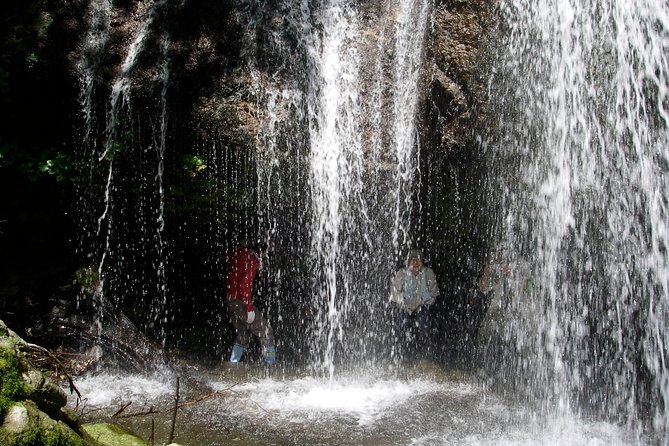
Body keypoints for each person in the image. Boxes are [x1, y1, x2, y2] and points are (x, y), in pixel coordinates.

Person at [225, 240, 276, 364]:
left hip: (230, 300)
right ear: (261, 250)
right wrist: (249, 308)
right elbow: (244, 285)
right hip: (240, 302)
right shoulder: (252, 259)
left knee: (243, 335)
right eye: (266, 254)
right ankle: (271, 365)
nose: (266, 257)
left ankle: (232, 364)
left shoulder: (237, 254)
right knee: (266, 332)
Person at [389, 248, 440, 349]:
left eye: (418, 260)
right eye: (413, 260)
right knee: (401, 324)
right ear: (408, 262)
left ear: (422, 261)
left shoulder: (428, 273)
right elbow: (394, 292)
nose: (415, 262)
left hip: (422, 305)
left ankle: (426, 350)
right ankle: (399, 349)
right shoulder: (402, 273)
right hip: (405, 306)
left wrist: (424, 300)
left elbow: (434, 292)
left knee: (424, 323)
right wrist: (402, 299)